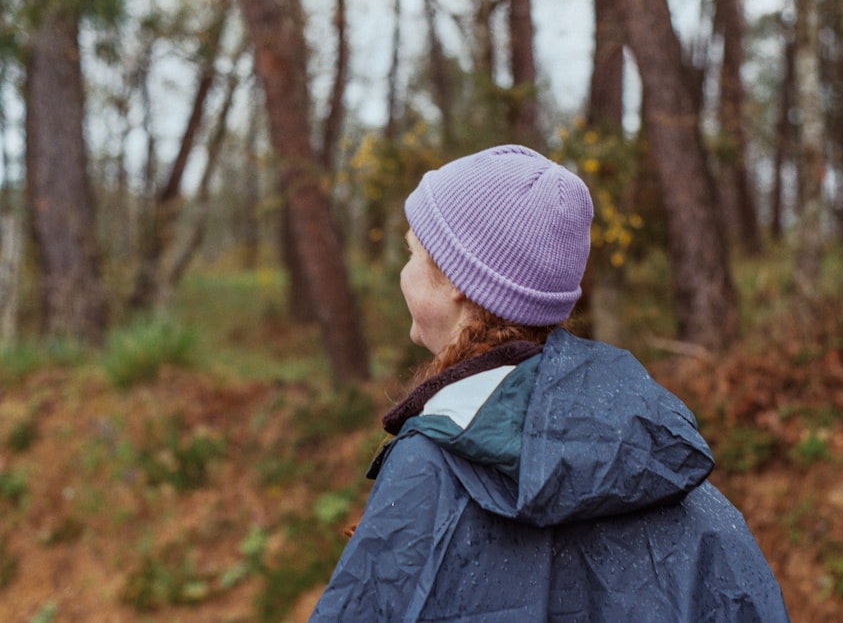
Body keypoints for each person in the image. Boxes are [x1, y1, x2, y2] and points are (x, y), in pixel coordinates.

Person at [309, 144, 789, 622]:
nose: (403, 271)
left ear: (457, 279)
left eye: (411, 252)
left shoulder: (432, 467)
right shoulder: (668, 472)